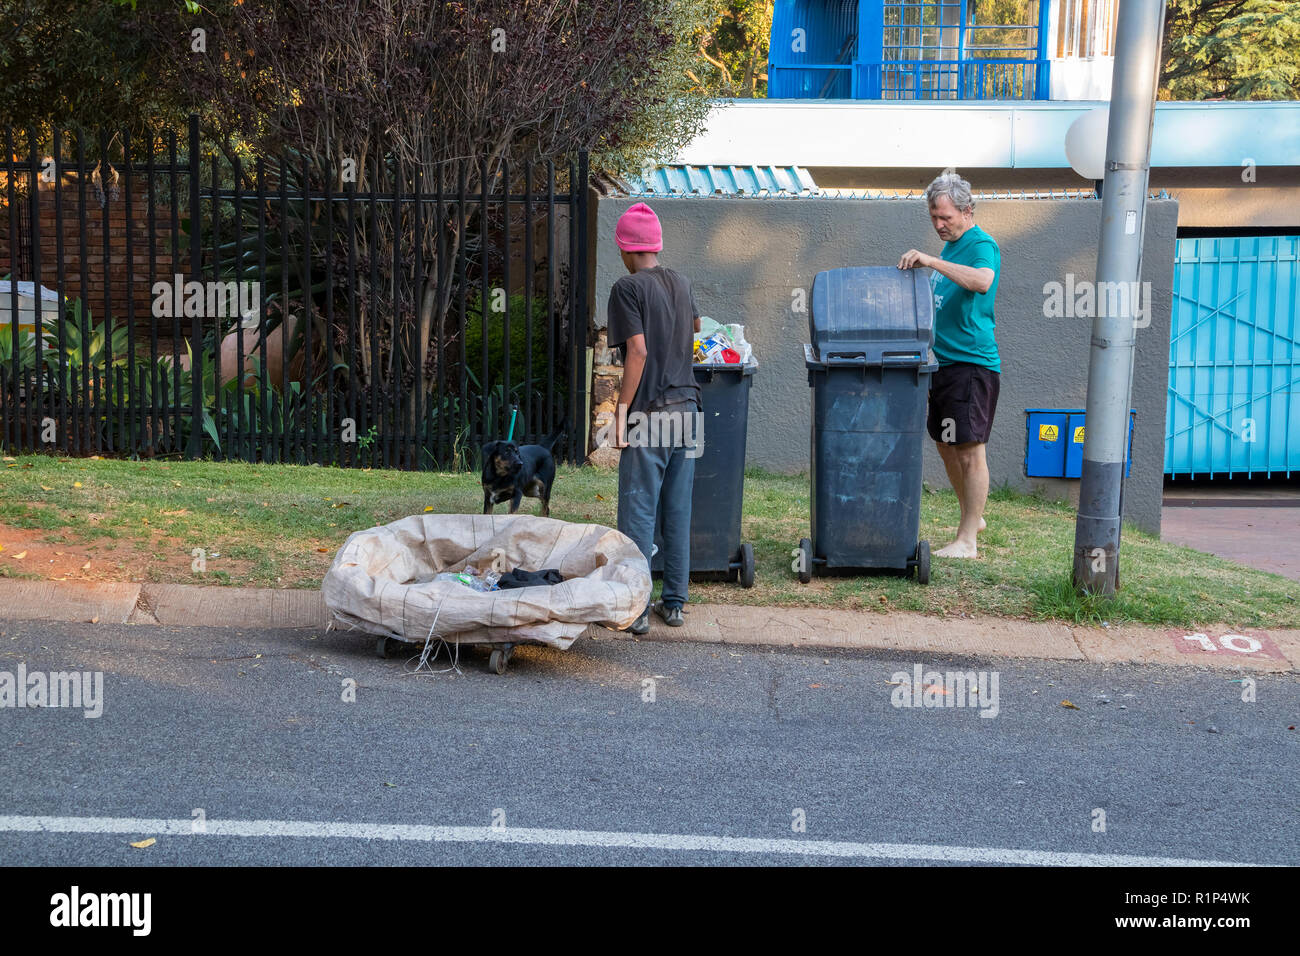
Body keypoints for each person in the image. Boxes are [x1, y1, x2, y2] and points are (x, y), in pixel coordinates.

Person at [606, 202, 701, 633]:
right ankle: (675, 602)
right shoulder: (681, 282)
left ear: (626, 248)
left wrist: (622, 416)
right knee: (677, 510)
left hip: (651, 415)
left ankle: (638, 609)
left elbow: (638, 352)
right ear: (657, 244)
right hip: (690, 413)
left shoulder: (627, 288)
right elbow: (696, 327)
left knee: (639, 510)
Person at [898, 168, 1001, 559]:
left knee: (970, 450)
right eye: (934, 218)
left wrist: (931, 261)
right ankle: (973, 517)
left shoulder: (980, 244)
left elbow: (981, 281)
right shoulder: (951, 246)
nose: (939, 224)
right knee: (945, 442)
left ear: (967, 211)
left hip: (971, 365)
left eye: (946, 217)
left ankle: (967, 540)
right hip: (942, 365)